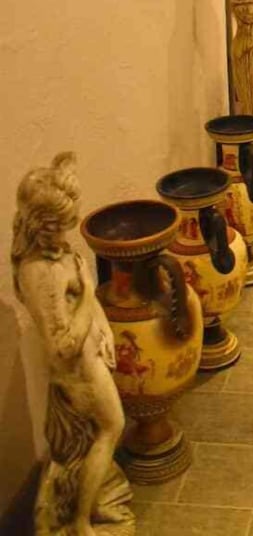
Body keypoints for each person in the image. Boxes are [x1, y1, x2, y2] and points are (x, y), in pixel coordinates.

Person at [11, 152, 132, 535]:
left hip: (90, 358)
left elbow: (85, 304)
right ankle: (80, 521)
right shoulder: (38, 272)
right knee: (111, 428)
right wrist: (88, 293)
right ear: (43, 224)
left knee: (99, 434)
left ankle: (86, 507)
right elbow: (61, 347)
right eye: (62, 225)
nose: (68, 232)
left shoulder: (59, 253)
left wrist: (104, 328)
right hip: (78, 370)